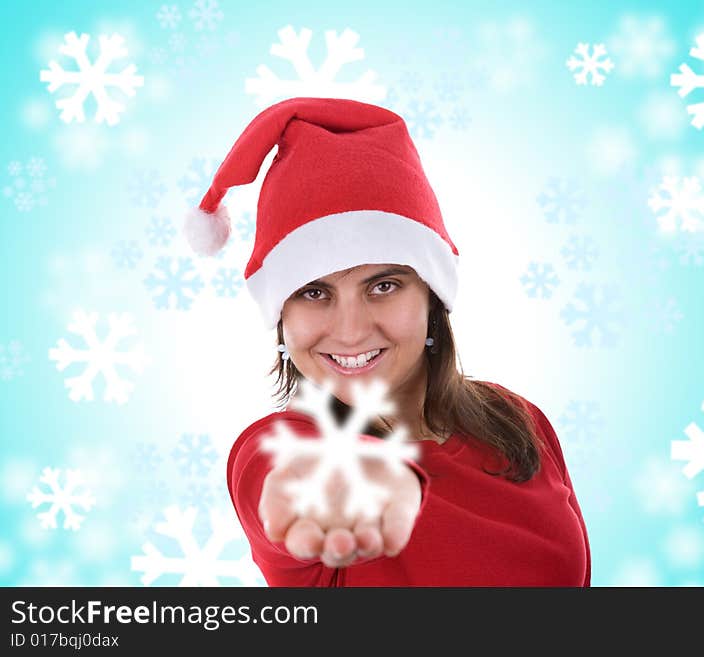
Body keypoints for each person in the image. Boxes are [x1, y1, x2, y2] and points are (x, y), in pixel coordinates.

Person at [185, 97, 590, 586]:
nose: (352, 329)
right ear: (281, 319)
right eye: (314, 292)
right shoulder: (281, 447)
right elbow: (278, 475)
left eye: (384, 286)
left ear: (432, 298)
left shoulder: (518, 420)